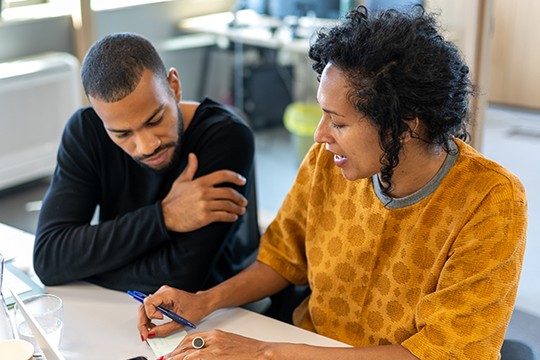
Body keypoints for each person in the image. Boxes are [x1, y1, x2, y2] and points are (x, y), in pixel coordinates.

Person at [137, 6, 528, 360]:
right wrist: (203, 302)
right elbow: (283, 257)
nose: (320, 135)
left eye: (338, 122)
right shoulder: (328, 162)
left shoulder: (490, 199)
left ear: (405, 124)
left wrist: (265, 353)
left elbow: (447, 353)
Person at [33, 32, 258, 294]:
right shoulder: (86, 130)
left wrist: (82, 264)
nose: (147, 146)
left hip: (212, 315)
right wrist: (164, 217)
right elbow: (49, 258)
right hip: (114, 307)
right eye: (122, 134)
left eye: (154, 120)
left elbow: (180, 280)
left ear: (174, 87)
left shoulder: (226, 136)